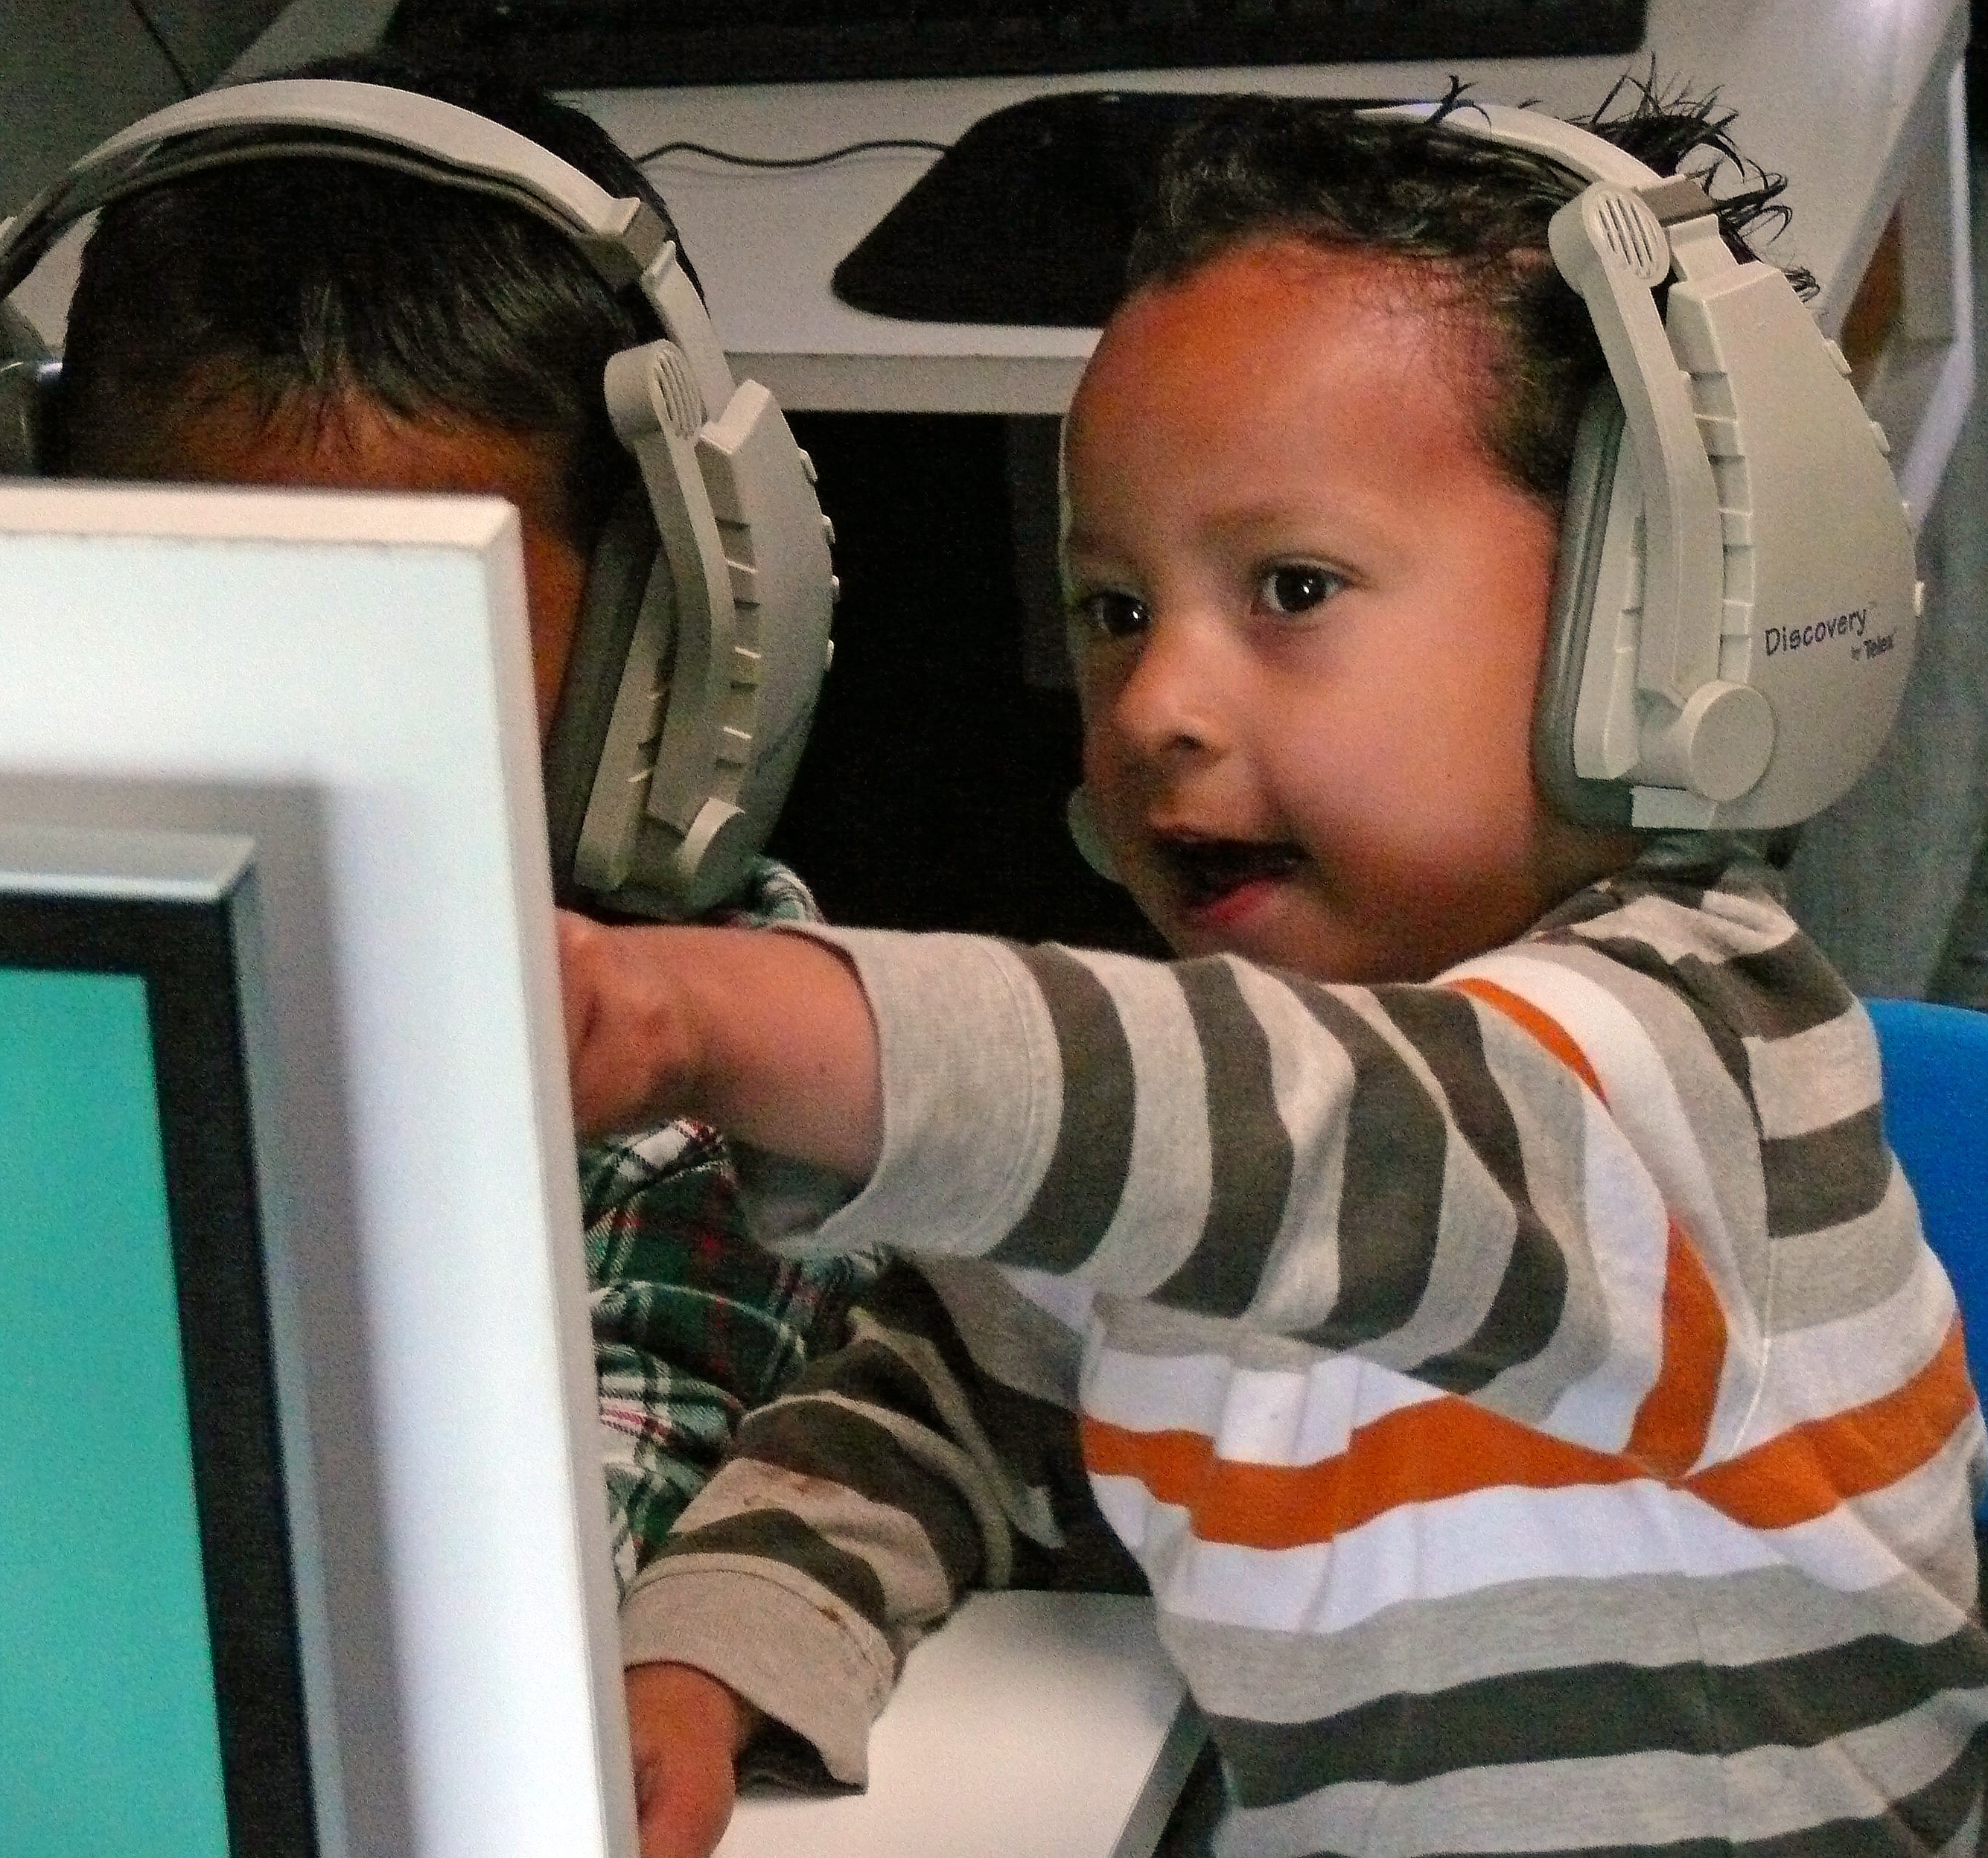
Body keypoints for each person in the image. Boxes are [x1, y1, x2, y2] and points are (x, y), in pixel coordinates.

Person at [557, 88, 1988, 1858]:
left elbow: (1298, 1148)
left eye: (1293, 588)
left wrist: (706, 1013)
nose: (1156, 706)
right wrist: (717, 1652)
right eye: (1114, 609)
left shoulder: (1690, 1070)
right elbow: (950, 1384)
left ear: (1658, 602)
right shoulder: (1205, 1101)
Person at [51, 48, 876, 1667]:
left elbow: (480, 1612)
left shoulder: (692, 1082)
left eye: (401, 642)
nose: (298, 751)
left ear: (682, 642)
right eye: (209, 631)